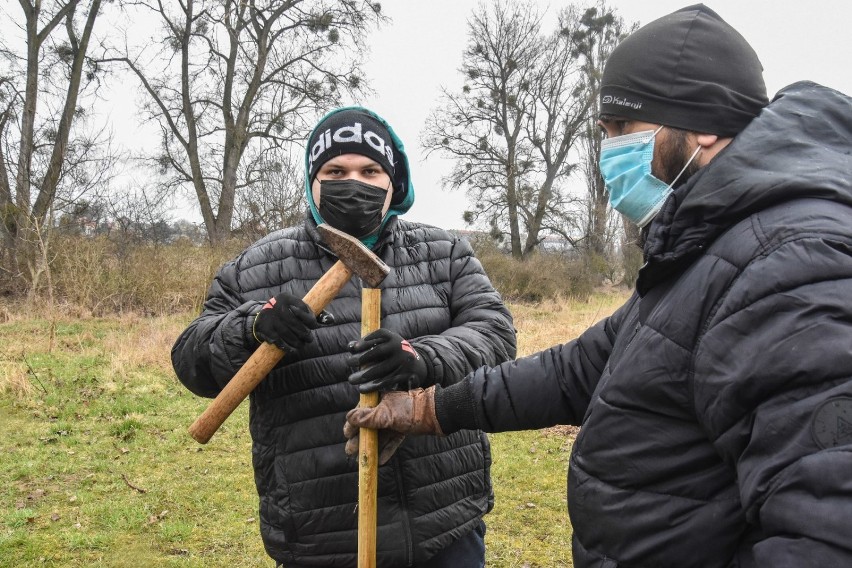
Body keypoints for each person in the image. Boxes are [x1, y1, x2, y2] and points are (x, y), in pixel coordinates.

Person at [344, 5, 852, 567]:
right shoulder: (710, 251)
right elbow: (578, 370)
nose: (609, 155)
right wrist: (426, 410)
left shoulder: (790, 264)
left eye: (622, 132)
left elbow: (825, 525)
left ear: (703, 125)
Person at [171, 106, 516, 567]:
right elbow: (191, 361)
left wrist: (422, 359)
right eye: (335, 170)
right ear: (313, 181)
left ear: (393, 182)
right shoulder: (254, 267)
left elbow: (494, 333)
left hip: (440, 521)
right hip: (317, 529)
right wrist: (250, 326)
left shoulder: (445, 252)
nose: (353, 182)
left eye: (369, 170)